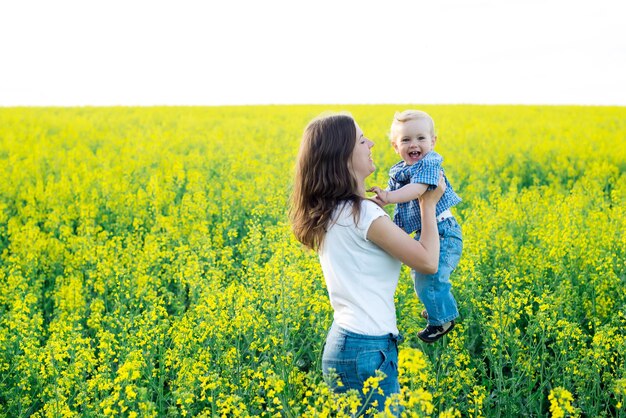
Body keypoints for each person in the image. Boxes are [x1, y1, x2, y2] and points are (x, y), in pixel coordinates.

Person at [289, 112, 445, 413]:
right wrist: (428, 203)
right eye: (362, 140)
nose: (372, 143)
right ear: (343, 157)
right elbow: (428, 261)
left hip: (347, 344)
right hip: (366, 349)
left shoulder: (332, 210)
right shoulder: (364, 215)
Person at [368, 110, 462, 343]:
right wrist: (380, 202)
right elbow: (401, 207)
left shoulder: (430, 162)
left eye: (421, 138)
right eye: (406, 140)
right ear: (395, 146)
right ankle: (436, 309)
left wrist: (389, 196)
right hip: (429, 232)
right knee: (421, 278)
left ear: (433, 141)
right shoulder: (399, 171)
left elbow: (418, 190)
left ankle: (443, 319)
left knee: (432, 278)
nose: (414, 145)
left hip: (443, 232)